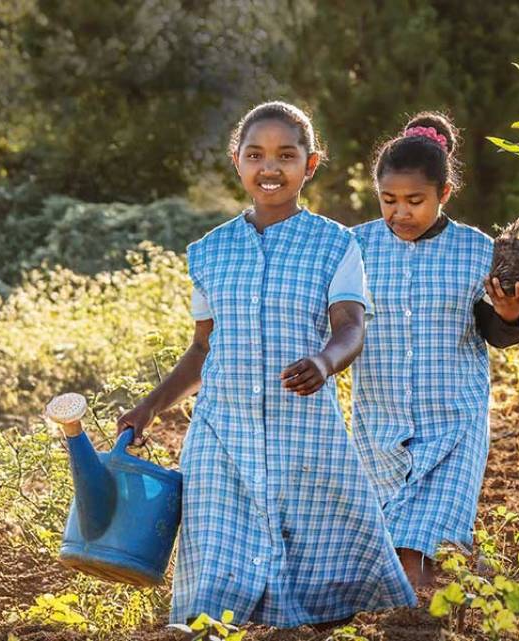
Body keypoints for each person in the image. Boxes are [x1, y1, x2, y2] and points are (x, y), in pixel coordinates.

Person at [116, 101, 415, 626]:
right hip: (222, 431)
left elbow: (351, 326)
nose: (269, 167)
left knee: (327, 574)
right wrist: (150, 407)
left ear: (310, 164)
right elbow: (203, 349)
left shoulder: (335, 244)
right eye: (255, 155)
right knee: (214, 568)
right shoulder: (210, 251)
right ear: (236, 161)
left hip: (303, 431)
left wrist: (324, 361)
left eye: (285, 155)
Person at [350, 112, 519, 588]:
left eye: (415, 201)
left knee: (416, 554)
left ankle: (422, 607)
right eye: (388, 200)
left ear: (444, 193)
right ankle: (442, 589)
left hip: (453, 424)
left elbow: (498, 331)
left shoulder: (477, 250)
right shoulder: (354, 248)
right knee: (391, 549)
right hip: (378, 425)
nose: (400, 213)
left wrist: (510, 313)